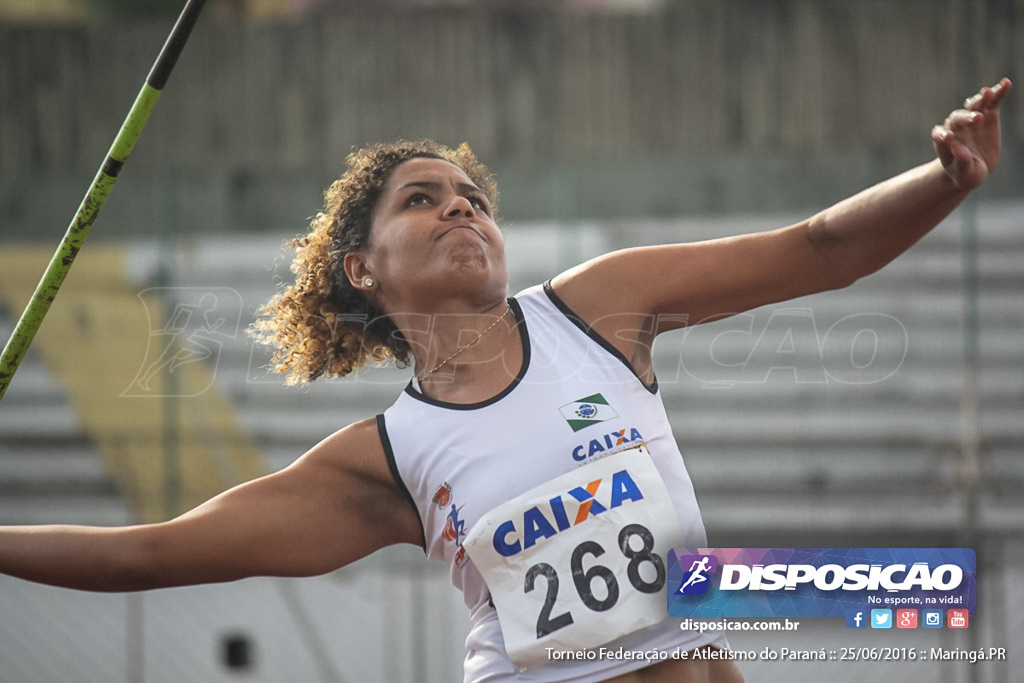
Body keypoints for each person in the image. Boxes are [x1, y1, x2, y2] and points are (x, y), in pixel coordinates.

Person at [0, 78, 1011, 683]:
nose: (461, 209)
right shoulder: (388, 458)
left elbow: (819, 247)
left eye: (473, 197)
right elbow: (147, 554)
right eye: (422, 199)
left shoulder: (596, 311)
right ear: (363, 268)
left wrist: (943, 180)